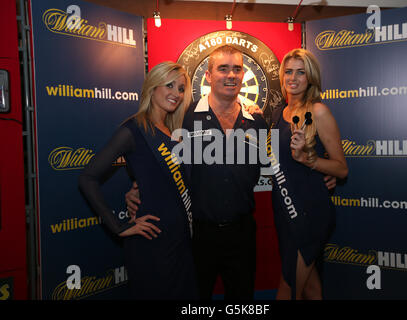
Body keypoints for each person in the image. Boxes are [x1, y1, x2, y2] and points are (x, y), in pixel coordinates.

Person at [126, 45, 338, 300]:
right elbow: (159, 155)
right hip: (197, 234)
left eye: (237, 69)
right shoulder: (185, 116)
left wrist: (323, 170)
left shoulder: (257, 120)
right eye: (223, 69)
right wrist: (139, 186)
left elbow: (284, 158)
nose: (231, 75)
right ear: (208, 75)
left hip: (243, 233)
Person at [78, 61, 198, 300]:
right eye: (169, 85)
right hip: (152, 242)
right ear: (153, 87)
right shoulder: (133, 129)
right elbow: (87, 178)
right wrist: (118, 227)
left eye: (181, 88)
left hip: (181, 242)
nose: (176, 93)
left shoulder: (173, 131)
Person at [268, 48, 348, 300]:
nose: (293, 78)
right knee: (311, 288)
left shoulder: (318, 112)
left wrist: (309, 160)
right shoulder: (278, 113)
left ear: (310, 77)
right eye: (288, 72)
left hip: (310, 213)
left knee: (289, 286)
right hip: (284, 210)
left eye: (301, 72)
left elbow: (341, 168)